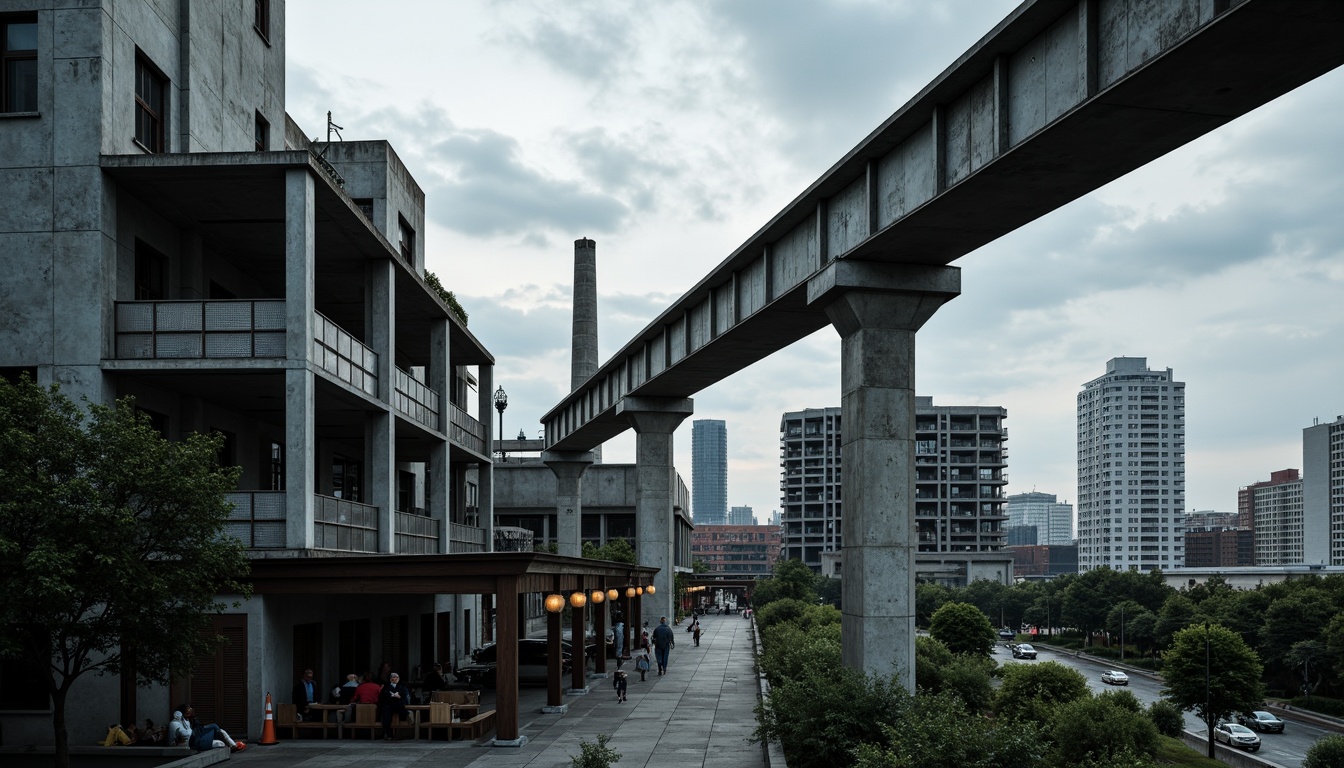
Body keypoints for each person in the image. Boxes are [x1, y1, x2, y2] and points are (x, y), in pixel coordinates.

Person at [171, 705, 245, 753]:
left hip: (197, 736)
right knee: (215, 729)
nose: (190, 713)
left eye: (191, 711)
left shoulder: (188, 720)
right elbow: (187, 735)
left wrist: (193, 718)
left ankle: (232, 745)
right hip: (196, 741)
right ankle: (232, 745)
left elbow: (197, 727)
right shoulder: (176, 723)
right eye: (188, 712)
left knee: (216, 728)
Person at [379, 671, 411, 740]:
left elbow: (405, 698)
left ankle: (403, 734)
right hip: (389, 705)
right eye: (394, 677)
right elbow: (382, 697)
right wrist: (391, 696)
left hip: (399, 705)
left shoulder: (402, 687)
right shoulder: (386, 687)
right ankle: (389, 734)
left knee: (406, 712)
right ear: (390, 679)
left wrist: (399, 697)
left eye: (397, 677)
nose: (396, 679)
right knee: (386, 715)